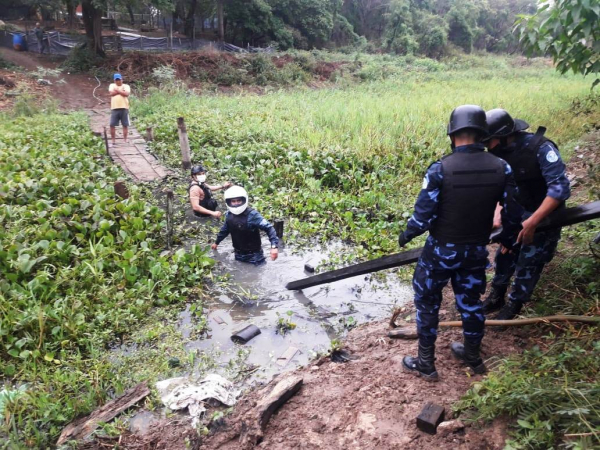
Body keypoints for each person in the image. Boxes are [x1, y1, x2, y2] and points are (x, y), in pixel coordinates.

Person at [398, 105, 523, 381]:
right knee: (471, 302)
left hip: (441, 251)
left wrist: (406, 235)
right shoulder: (501, 167)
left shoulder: (441, 169)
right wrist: (508, 238)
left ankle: (426, 363)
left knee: (428, 303)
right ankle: (472, 357)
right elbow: (513, 212)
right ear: (482, 134)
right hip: (476, 250)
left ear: (452, 134)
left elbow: (423, 216)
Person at [481, 109, 571, 320]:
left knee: (529, 258)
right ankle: (497, 295)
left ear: (503, 137)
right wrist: (497, 214)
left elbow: (559, 189)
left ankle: (514, 304)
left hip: (545, 214)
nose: (486, 147)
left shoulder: (540, 148)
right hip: (518, 211)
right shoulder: (498, 155)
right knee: (504, 253)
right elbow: (500, 187)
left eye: (489, 141)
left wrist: (533, 221)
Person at [211, 186, 279, 265]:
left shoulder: (253, 215)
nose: (236, 203)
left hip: (255, 255)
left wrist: (274, 247)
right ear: (229, 202)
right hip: (238, 254)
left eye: (239, 200)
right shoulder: (228, 215)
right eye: (233, 201)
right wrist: (216, 242)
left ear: (244, 200)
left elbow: (269, 228)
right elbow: (225, 230)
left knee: (258, 274)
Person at [108, 73, 131, 146]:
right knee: (112, 124)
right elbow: (111, 93)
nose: (118, 81)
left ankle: (125, 139)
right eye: (116, 80)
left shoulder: (126, 86)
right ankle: (113, 140)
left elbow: (126, 94)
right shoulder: (112, 85)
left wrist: (117, 91)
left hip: (124, 107)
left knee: (125, 124)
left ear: (122, 79)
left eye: (119, 80)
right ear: (114, 80)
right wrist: (121, 91)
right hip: (114, 108)